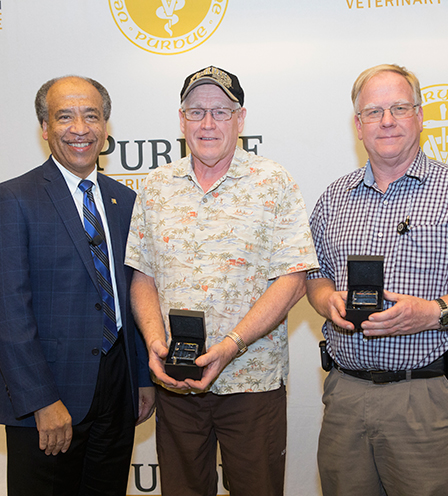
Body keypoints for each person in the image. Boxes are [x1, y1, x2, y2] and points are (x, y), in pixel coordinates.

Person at [306, 63, 448, 496]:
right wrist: (324, 301)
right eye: (373, 112)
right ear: (358, 125)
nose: (387, 121)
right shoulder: (332, 198)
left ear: (420, 115)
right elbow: (314, 273)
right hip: (346, 396)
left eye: (399, 107)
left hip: (427, 400)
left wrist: (433, 313)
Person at [125, 65, 318, 496]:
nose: (207, 124)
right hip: (177, 382)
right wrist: (156, 343)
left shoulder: (274, 182)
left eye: (220, 112)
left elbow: (293, 278)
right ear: (181, 120)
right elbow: (142, 275)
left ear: (241, 119)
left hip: (252, 382)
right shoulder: (156, 187)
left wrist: (230, 345)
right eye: (196, 112)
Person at [0, 75, 155, 496]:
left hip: (117, 390)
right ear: (45, 128)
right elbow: (8, 311)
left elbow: (132, 292)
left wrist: (141, 378)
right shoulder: (14, 198)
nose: (80, 128)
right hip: (51, 398)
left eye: (91, 115)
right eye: (64, 116)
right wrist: (40, 401)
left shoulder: (124, 201)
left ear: (106, 126)